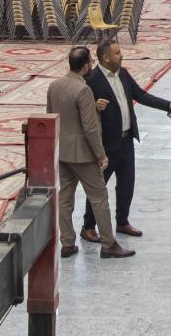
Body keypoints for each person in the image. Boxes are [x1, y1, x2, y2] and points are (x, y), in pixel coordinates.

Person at [81, 40, 171, 244]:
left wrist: (169, 105)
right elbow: (83, 110)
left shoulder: (123, 73)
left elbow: (141, 95)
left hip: (126, 139)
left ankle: (122, 221)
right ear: (106, 58)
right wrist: (94, 106)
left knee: (126, 184)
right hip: (106, 144)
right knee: (98, 187)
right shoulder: (92, 80)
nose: (122, 55)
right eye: (117, 53)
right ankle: (88, 226)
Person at [47, 45, 133, 260]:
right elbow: (90, 127)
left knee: (65, 199)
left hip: (63, 151)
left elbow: (51, 116)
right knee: (99, 197)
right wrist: (101, 155)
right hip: (83, 155)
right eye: (91, 63)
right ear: (86, 66)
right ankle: (109, 244)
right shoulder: (83, 90)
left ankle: (67, 243)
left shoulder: (54, 86)